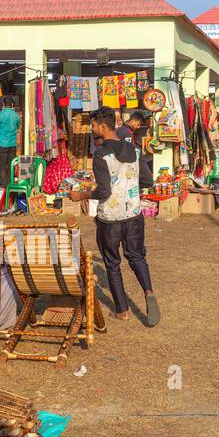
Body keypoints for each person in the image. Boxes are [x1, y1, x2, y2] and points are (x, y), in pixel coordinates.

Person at [89, 107, 159, 326]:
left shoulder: (100, 154)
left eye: (92, 125)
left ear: (102, 126)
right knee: (137, 256)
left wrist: (81, 194)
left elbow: (103, 192)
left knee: (112, 263)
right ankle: (148, 292)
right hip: (133, 215)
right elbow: (147, 181)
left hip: (110, 218)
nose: (91, 129)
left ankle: (122, 311)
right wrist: (128, 181)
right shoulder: (134, 149)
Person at [0, 96, 21, 188]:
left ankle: (5, 185)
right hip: (12, 144)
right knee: (11, 164)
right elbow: (18, 127)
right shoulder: (16, 115)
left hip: (1, 143)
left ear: (3, 104)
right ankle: (10, 183)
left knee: (2, 164)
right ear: (12, 105)